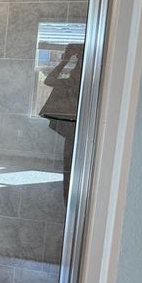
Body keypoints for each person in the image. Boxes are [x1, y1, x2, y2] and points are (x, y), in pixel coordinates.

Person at [39, 43, 83, 202]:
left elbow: (50, 80)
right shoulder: (72, 82)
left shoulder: (79, 82)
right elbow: (49, 80)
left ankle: (71, 201)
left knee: (71, 169)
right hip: (71, 127)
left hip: (75, 128)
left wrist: (65, 61)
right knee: (69, 169)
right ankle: (69, 201)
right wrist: (66, 60)